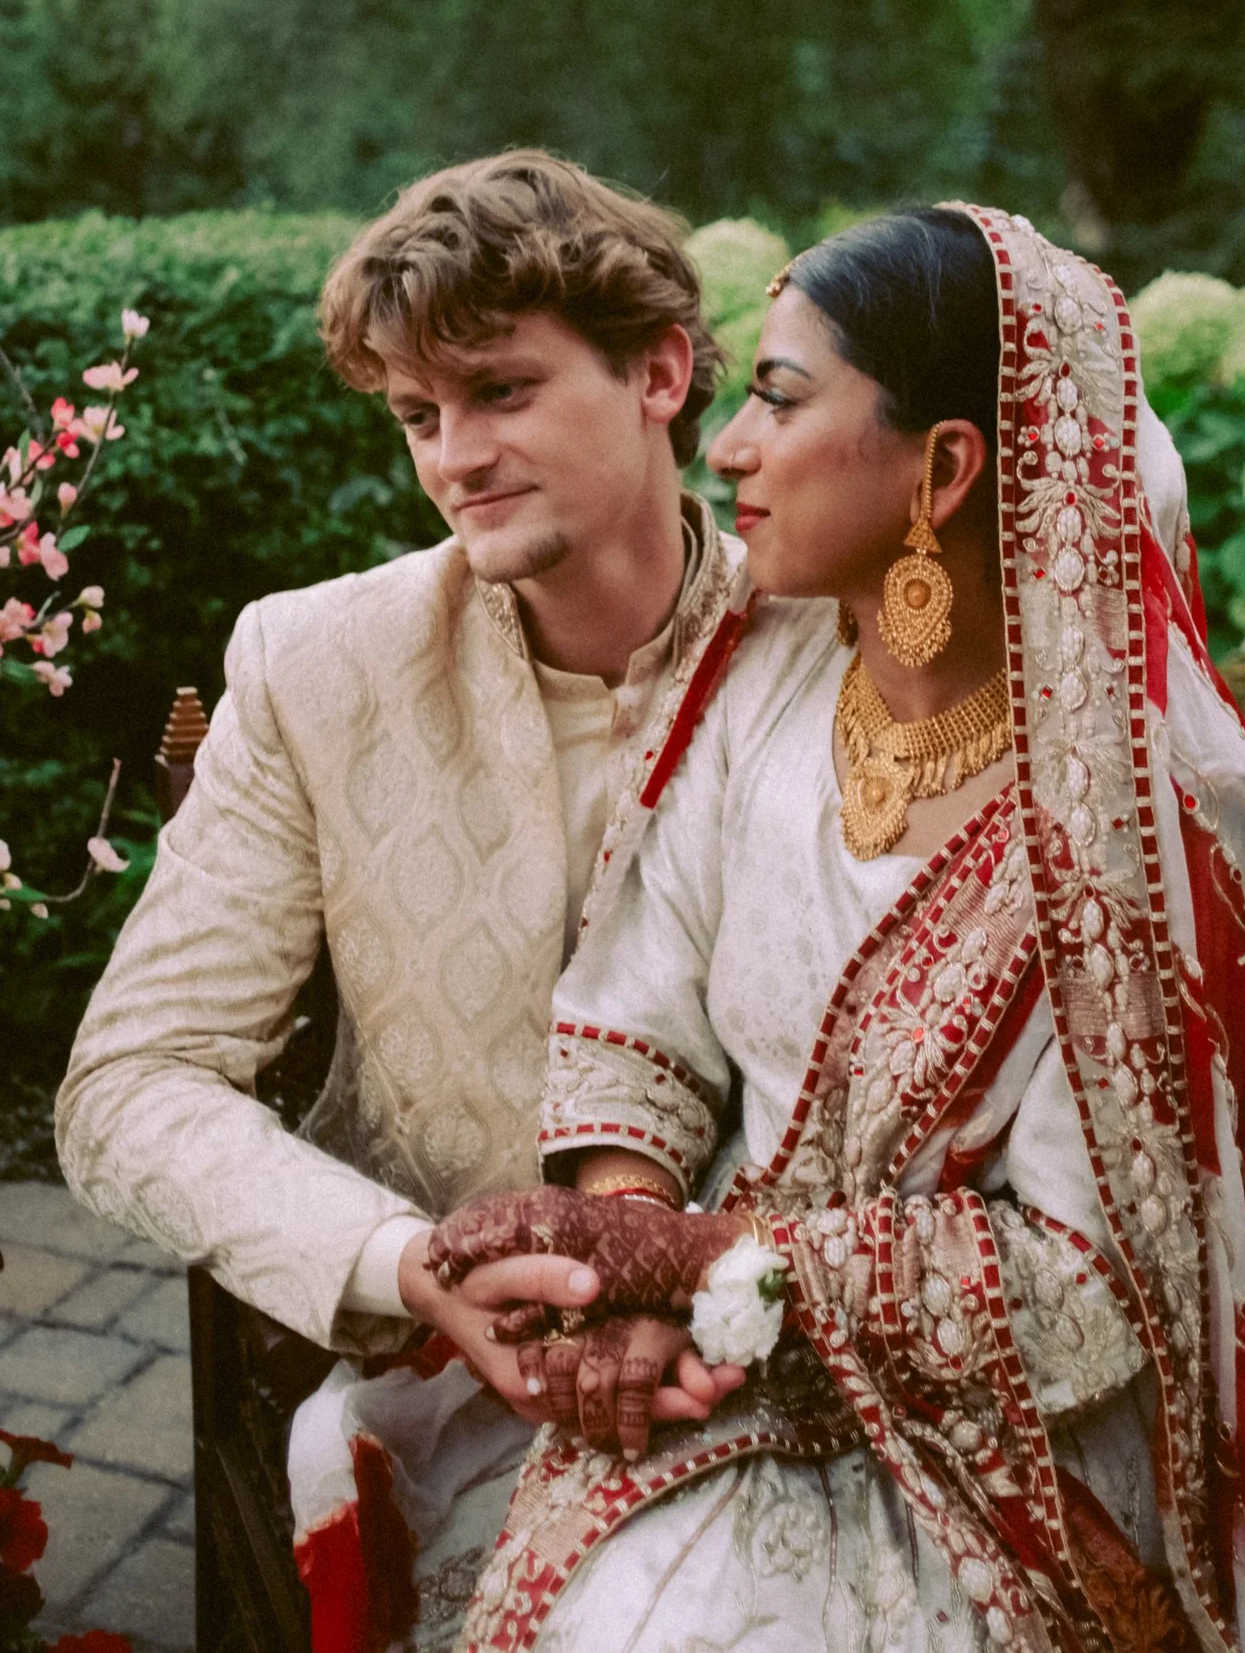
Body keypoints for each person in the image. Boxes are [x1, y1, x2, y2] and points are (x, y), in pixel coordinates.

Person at [428, 206, 1245, 1653]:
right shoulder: (761, 680)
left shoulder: (1157, 823)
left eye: (780, 399)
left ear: (945, 468)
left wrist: (718, 1273)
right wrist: (632, 1242)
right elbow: (634, 1019)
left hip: (1009, 1448)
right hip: (720, 1361)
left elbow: (1091, 1283)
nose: (730, 446)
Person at [54, 149, 751, 1652]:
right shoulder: (317, 666)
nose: (454, 458)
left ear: (660, 373)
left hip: (779, 1359)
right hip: (452, 1373)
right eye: (418, 416)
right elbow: (130, 1082)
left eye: (500, 390)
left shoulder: (831, 648)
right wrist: (404, 1269)